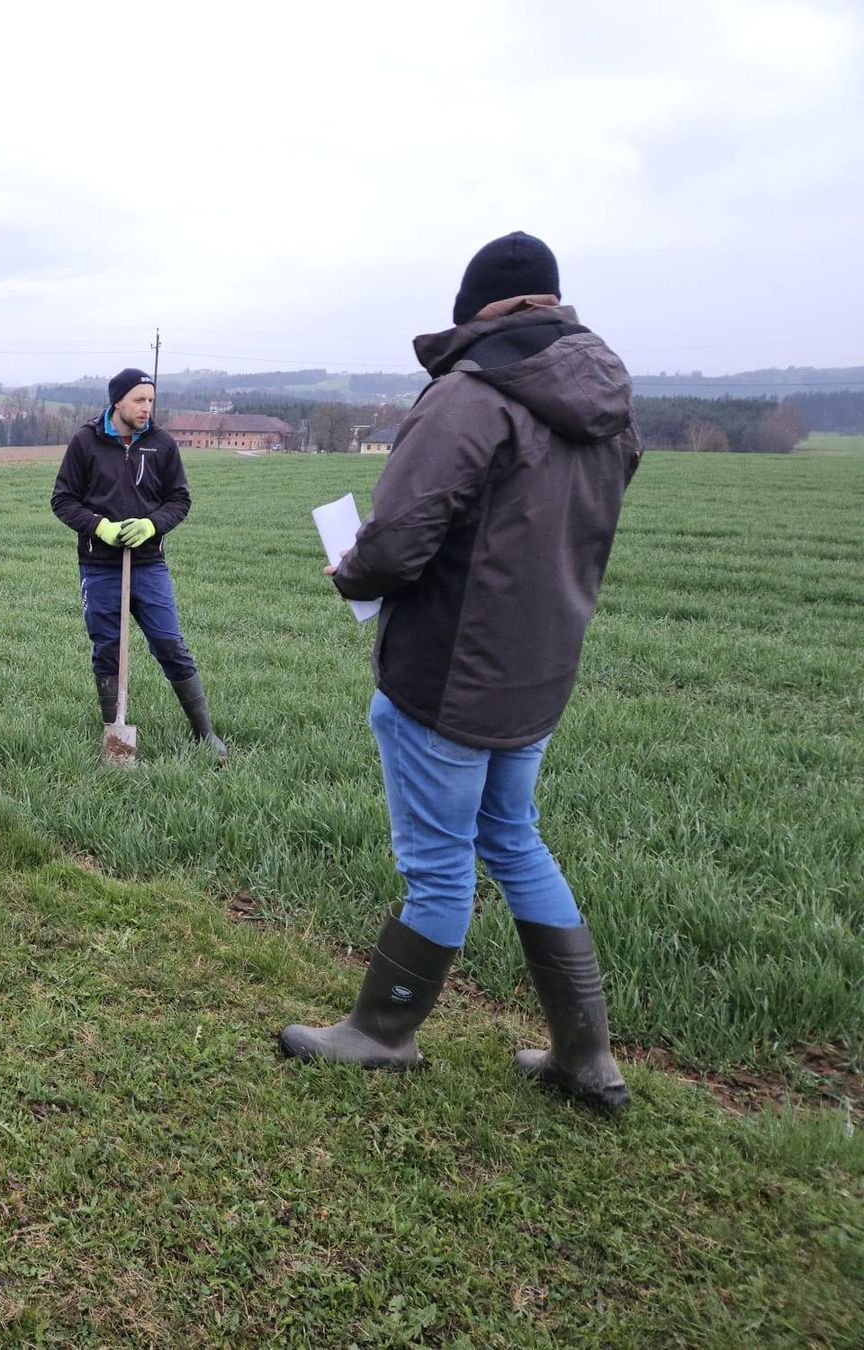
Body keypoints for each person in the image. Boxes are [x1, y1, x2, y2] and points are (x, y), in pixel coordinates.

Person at [280, 231, 642, 1111]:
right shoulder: (610, 406)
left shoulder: (470, 398)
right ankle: (586, 1059)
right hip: (538, 673)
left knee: (440, 865)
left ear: (476, 309)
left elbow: (399, 539)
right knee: (515, 839)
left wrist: (353, 573)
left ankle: (381, 1031)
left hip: (447, 675)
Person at [50, 367, 226, 759]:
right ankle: (114, 731)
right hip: (99, 568)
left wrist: (151, 524)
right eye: (139, 400)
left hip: (148, 566)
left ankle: (205, 734)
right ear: (118, 401)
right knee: (107, 648)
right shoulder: (85, 442)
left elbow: (179, 500)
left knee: (170, 643)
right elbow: (62, 500)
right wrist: (100, 528)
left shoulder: (162, 444)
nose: (147, 408)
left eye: (151, 400)